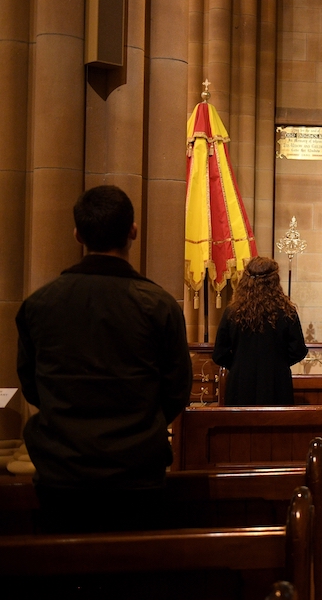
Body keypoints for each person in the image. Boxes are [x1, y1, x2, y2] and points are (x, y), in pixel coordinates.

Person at [16, 185, 193, 533]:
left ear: (77, 234)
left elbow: (32, 386)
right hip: (137, 472)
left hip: (61, 472)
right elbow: (176, 390)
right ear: (133, 231)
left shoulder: (40, 304)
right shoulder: (158, 306)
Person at [213, 256, 308, 405]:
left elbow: (219, 353)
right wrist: (278, 363)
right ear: (274, 281)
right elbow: (299, 350)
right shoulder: (286, 311)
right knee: (274, 426)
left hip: (240, 383)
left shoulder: (233, 312)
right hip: (276, 383)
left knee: (241, 426)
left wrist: (239, 364)